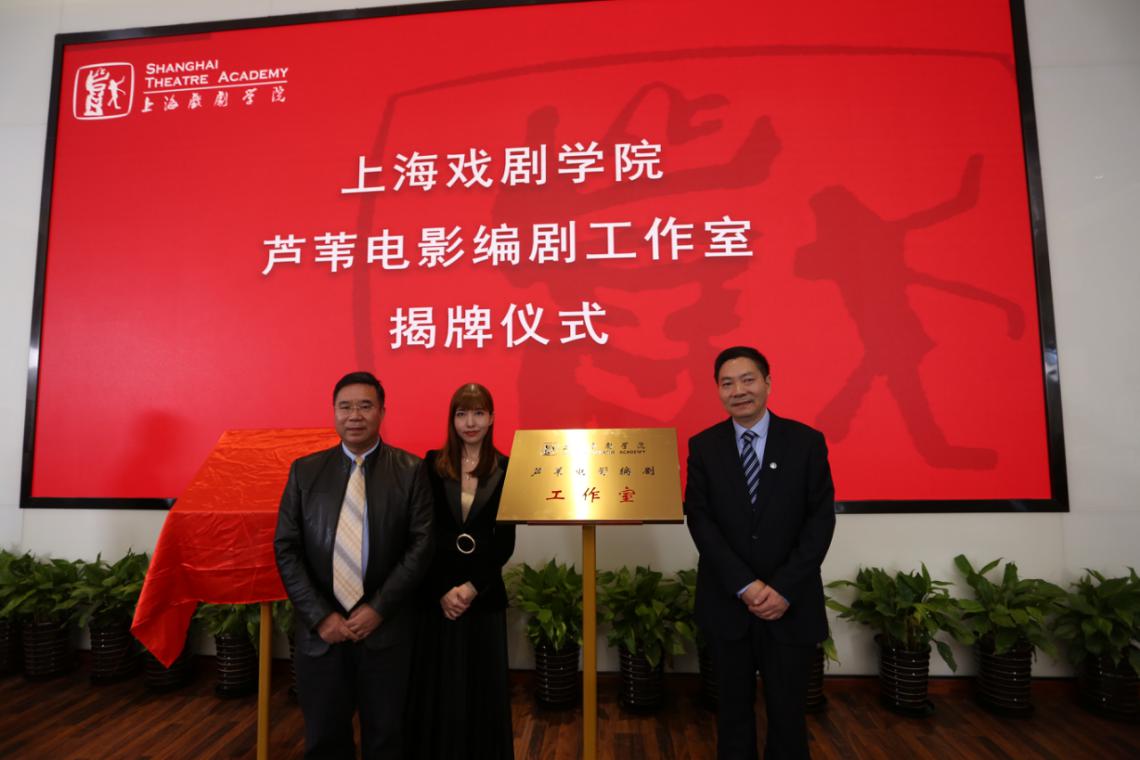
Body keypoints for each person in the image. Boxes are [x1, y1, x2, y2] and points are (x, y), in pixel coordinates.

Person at [685, 347, 836, 760]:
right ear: (718, 391)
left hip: (790, 603)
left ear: (768, 383)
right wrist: (745, 585)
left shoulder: (806, 442)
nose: (738, 391)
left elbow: (819, 522)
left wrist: (782, 587)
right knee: (732, 711)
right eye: (727, 383)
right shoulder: (704, 447)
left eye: (748, 379)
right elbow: (701, 521)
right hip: (728, 602)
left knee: (788, 713)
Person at [274, 371, 433, 759]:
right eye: (345, 407)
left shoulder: (411, 471)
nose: (355, 416)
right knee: (325, 739)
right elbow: (287, 548)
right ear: (334, 412)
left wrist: (378, 608)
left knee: (387, 737)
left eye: (365, 406)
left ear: (382, 412)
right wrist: (320, 616)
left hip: (386, 632)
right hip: (322, 636)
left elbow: (422, 546)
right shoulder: (304, 471)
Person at [407, 382, 516, 760]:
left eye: (479, 413)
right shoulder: (431, 465)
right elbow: (422, 533)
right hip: (437, 597)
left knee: (483, 688)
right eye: (462, 414)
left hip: (482, 597)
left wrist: (471, 588)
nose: (470, 422)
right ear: (452, 420)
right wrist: (442, 589)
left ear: (492, 418)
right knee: (437, 688)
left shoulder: (507, 468)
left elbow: (504, 543)